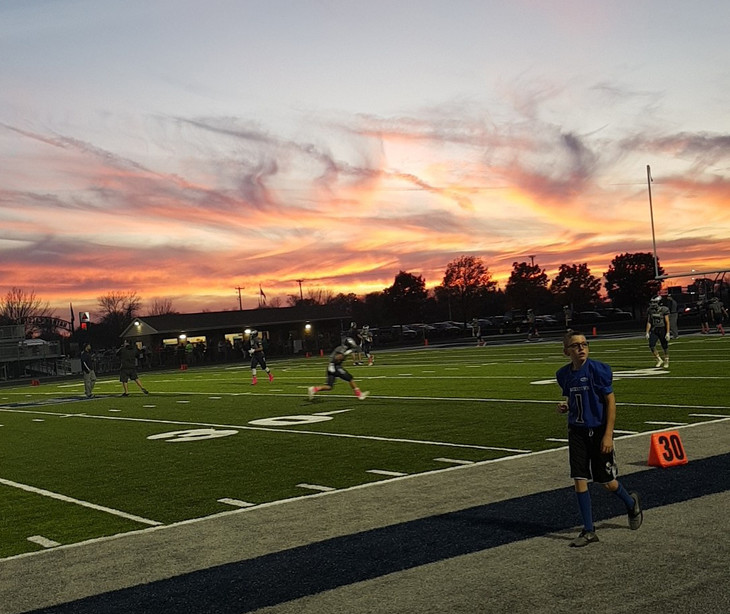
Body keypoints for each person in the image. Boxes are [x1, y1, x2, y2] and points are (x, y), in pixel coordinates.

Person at [556, 330, 643, 547]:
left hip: (598, 431)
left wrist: (608, 435)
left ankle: (630, 501)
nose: (581, 348)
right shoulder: (564, 374)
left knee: (606, 482)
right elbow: (574, 399)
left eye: (584, 344)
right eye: (576, 345)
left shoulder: (597, 370)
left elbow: (610, 402)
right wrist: (566, 406)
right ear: (567, 352)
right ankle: (589, 530)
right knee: (579, 477)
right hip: (576, 431)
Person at [645, 295, 670, 368]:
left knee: (664, 345)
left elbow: (667, 321)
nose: (653, 304)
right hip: (654, 329)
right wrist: (647, 332)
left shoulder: (664, 309)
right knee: (651, 345)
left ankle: (666, 360)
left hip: (662, 328)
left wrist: (668, 332)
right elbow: (649, 321)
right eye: (652, 302)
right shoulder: (650, 310)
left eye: (655, 302)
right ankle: (659, 359)